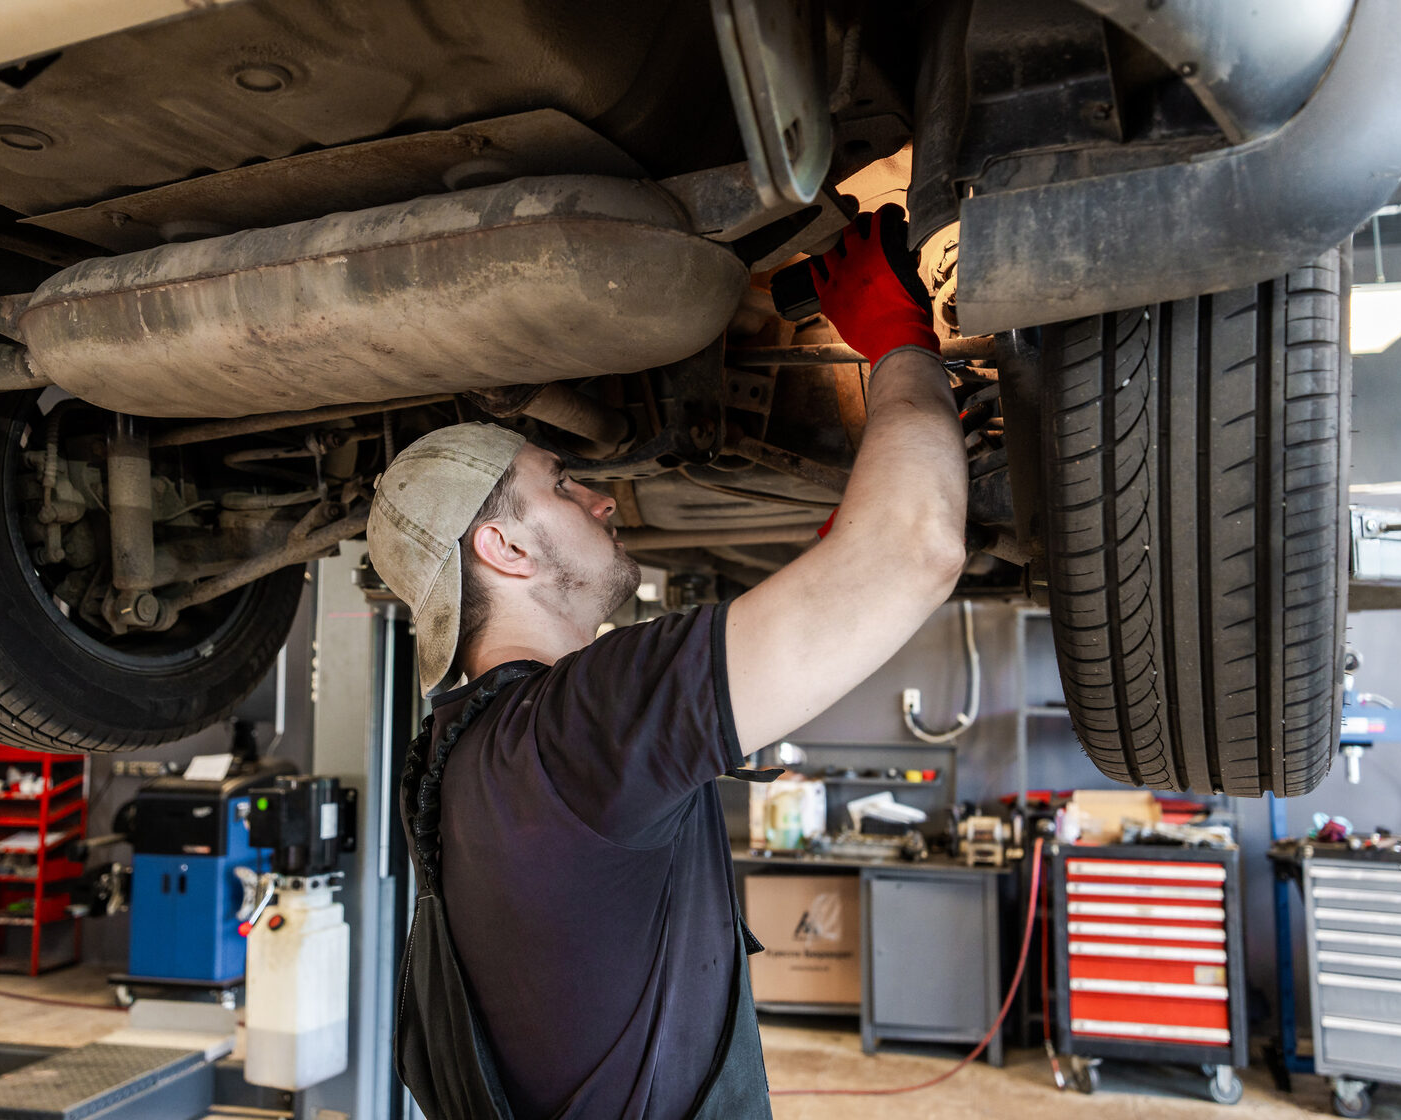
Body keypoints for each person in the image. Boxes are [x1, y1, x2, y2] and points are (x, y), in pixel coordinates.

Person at [373, 204, 968, 1120]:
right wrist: (896, 335)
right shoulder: (578, 730)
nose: (605, 499)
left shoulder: (473, 758)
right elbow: (916, 551)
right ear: (503, 548)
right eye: (565, 484)